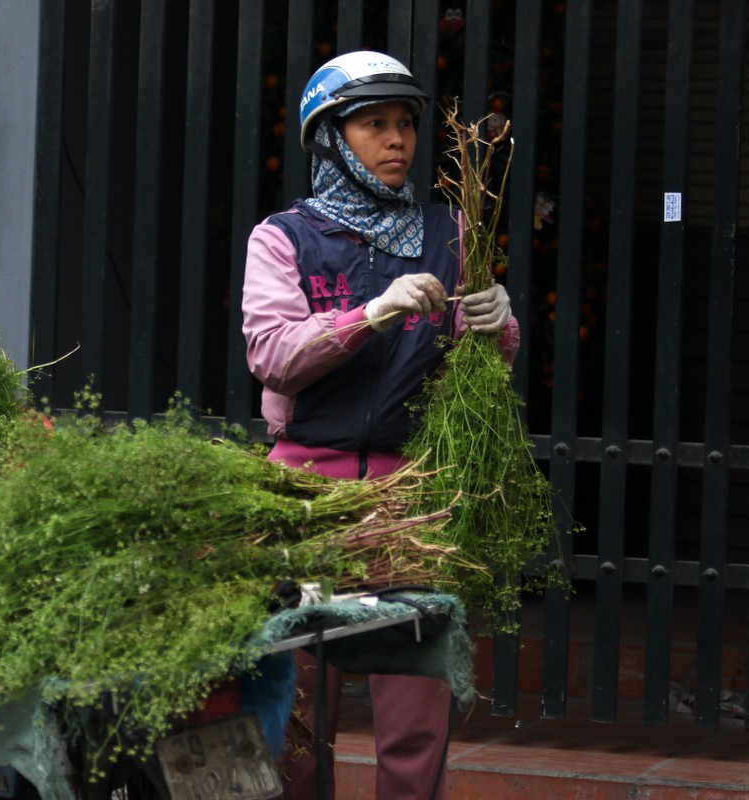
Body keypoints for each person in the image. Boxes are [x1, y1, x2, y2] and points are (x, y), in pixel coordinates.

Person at [241, 51, 520, 799]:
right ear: (329, 138)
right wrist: (370, 313)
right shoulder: (282, 238)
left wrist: (497, 326)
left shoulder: (449, 229)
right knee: (296, 703)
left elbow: (478, 367)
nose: (396, 140)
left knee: (416, 703)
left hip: (411, 497)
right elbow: (271, 356)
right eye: (373, 125)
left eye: (403, 125)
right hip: (302, 494)